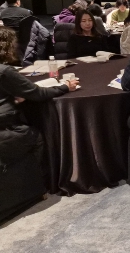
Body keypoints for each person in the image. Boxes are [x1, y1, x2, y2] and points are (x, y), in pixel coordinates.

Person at [0, 27, 78, 173]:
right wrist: (65, 87)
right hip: (5, 130)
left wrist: (12, 98)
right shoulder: (5, 72)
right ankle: (38, 179)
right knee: (38, 137)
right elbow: (38, 93)